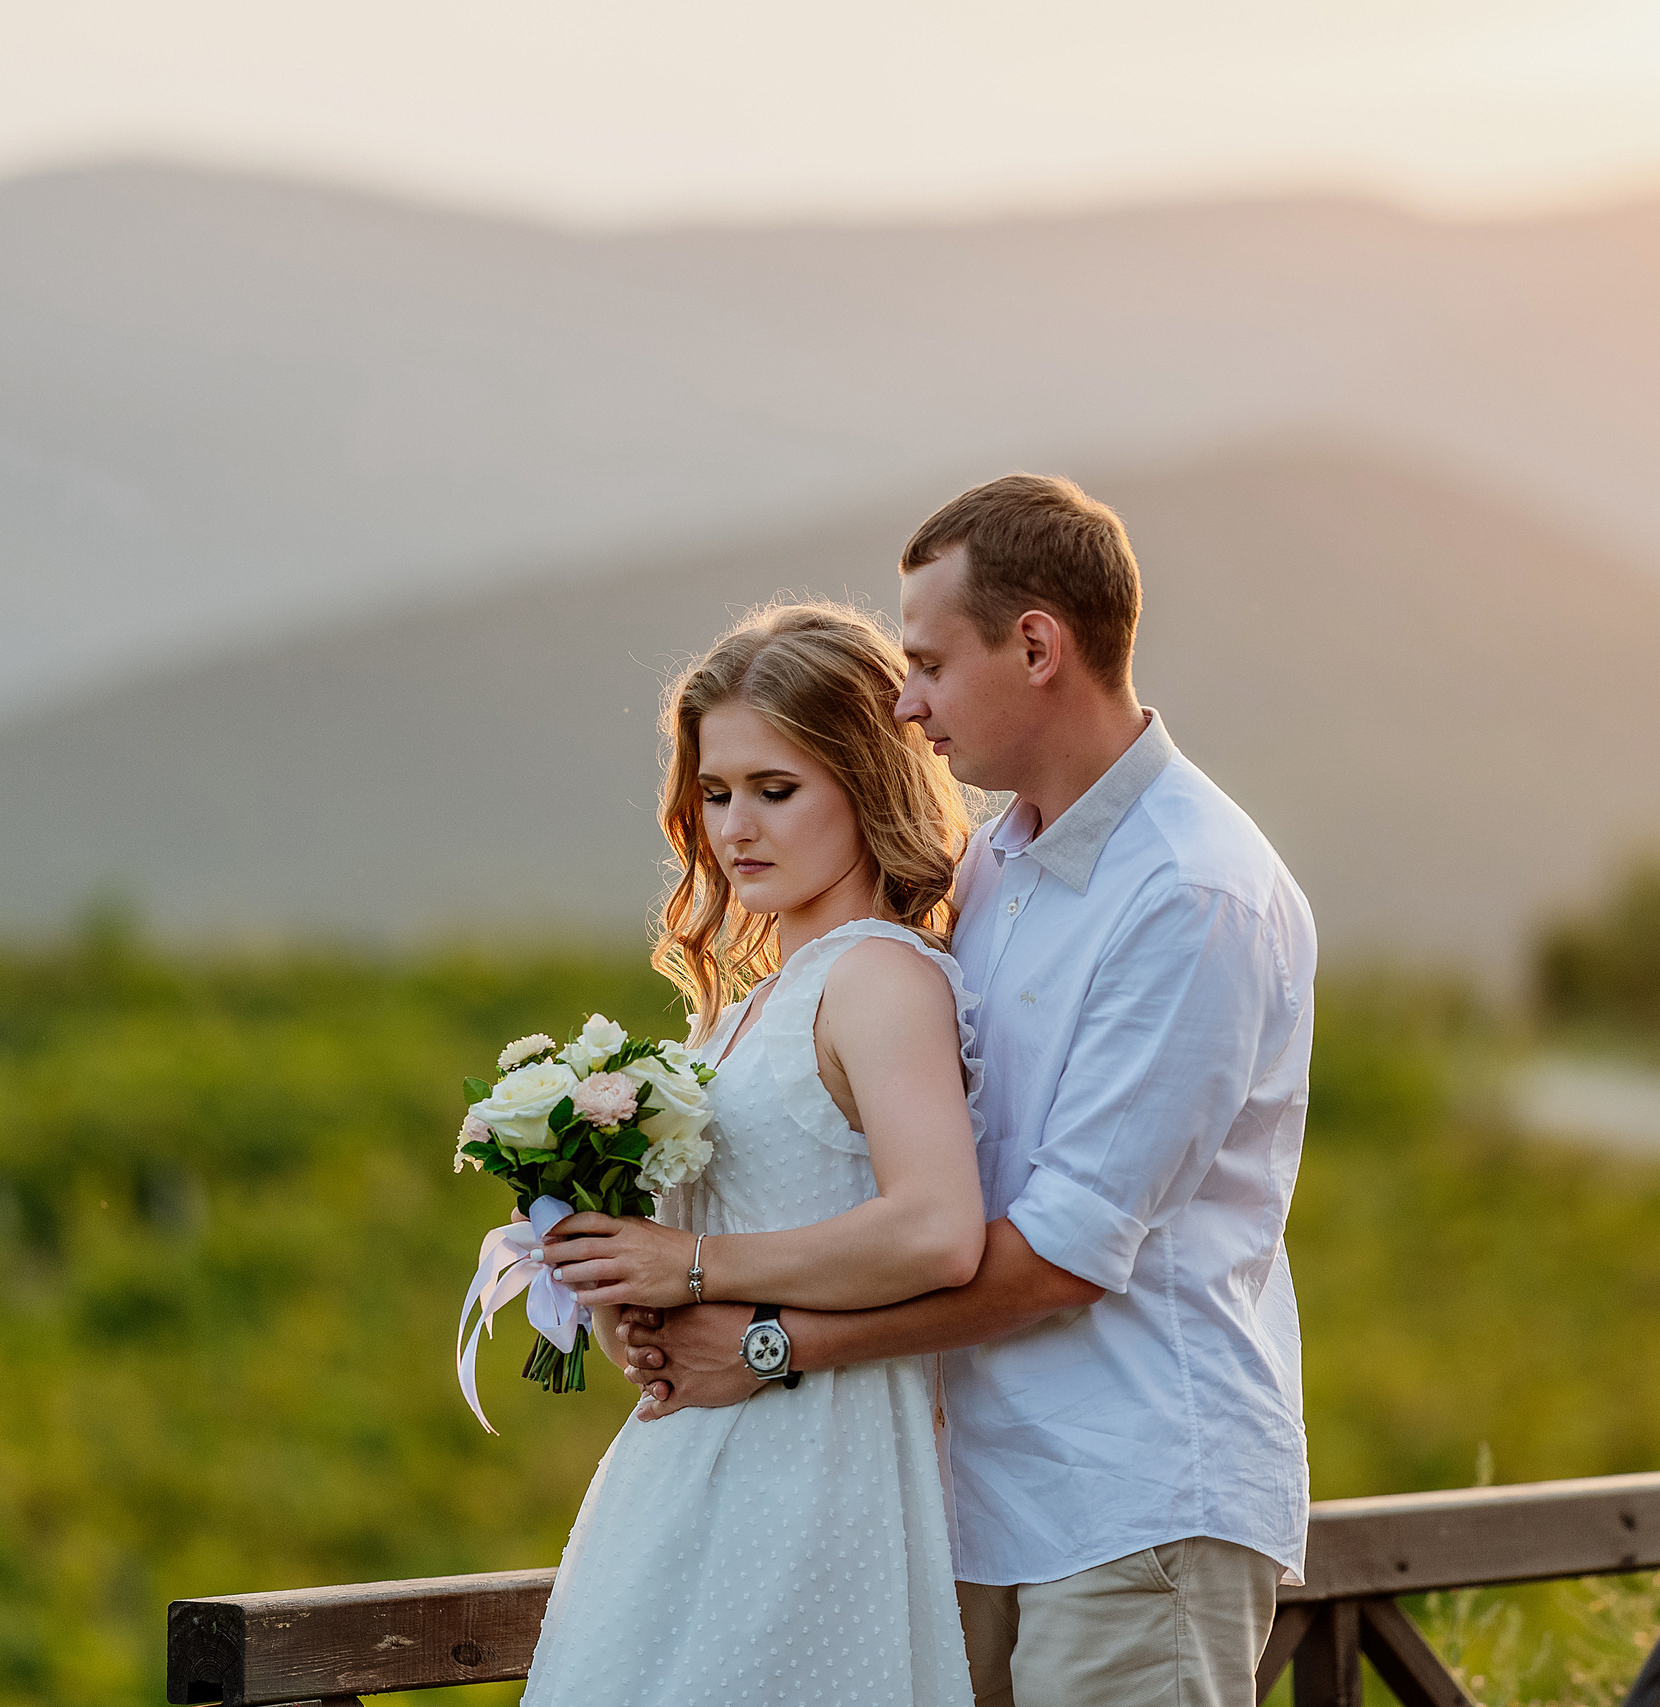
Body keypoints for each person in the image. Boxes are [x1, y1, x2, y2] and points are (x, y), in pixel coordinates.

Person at [601, 475, 1319, 1707]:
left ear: (1036, 645)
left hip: (1130, 1497)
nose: (904, 699)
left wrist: (765, 1343)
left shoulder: (1188, 895)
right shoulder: (999, 863)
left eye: (927, 662)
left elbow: (1062, 1256)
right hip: (968, 1493)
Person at [517, 602, 988, 1707]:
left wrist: (690, 1272)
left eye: (776, 790)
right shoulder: (743, 1007)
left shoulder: (876, 978)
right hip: (690, 1464)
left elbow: (935, 1228)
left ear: (867, 781)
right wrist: (610, 1279)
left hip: (816, 1463)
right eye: (716, 793)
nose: (737, 828)